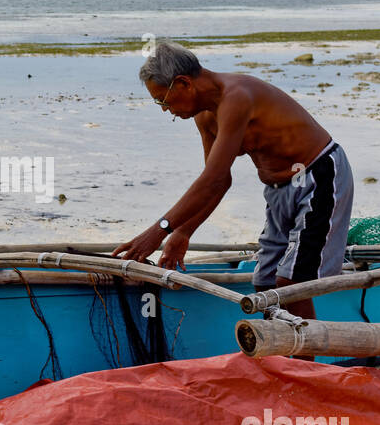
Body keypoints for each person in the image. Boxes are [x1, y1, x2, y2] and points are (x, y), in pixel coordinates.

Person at [112, 41, 354, 321]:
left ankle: (303, 363)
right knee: (264, 282)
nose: (166, 110)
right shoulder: (203, 116)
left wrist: (159, 230)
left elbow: (212, 179)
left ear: (183, 83)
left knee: (290, 284)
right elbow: (218, 181)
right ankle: (276, 358)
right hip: (277, 191)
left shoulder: (236, 97)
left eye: (163, 101)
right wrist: (184, 232)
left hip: (317, 175)